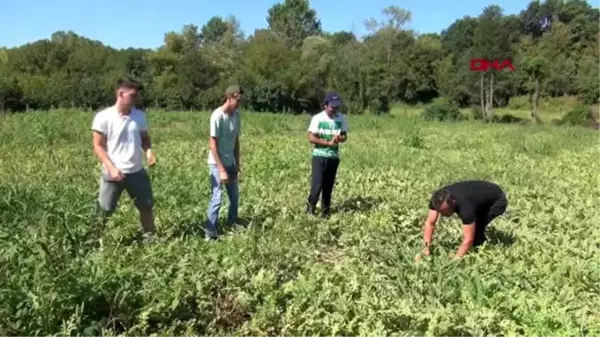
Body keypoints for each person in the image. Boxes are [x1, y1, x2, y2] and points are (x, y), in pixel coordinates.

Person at [91, 78, 156, 241]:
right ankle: (92, 242)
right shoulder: (103, 117)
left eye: (137, 95)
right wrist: (111, 168)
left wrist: (149, 152)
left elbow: (145, 138)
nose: (137, 99)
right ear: (121, 94)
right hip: (113, 173)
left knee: (146, 206)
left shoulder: (139, 116)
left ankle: (150, 239)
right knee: (104, 209)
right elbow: (97, 146)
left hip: (137, 171)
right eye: (133, 95)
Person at [418, 180, 508, 260]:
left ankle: (484, 254)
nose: (443, 214)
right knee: (474, 227)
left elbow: (468, 239)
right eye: (440, 211)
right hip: (476, 195)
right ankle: (476, 249)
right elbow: (430, 223)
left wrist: (455, 260)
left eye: (445, 211)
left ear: (453, 201)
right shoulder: (436, 200)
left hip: (497, 200)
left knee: (476, 230)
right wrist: (425, 247)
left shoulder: (465, 208)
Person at [205, 85, 243, 240]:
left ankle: (232, 223)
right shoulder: (217, 116)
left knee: (234, 197)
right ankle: (210, 232)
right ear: (229, 98)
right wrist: (221, 170)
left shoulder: (237, 115)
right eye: (238, 100)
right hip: (216, 163)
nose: (239, 104)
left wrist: (237, 164)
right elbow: (212, 145)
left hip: (230, 162)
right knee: (217, 198)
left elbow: (236, 142)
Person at [306, 91, 348, 218]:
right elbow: (311, 137)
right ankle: (309, 212)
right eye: (332, 106)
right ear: (325, 105)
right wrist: (327, 143)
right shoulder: (318, 118)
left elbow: (344, 135)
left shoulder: (341, 118)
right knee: (316, 187)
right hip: (319, 156)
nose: (335, 109)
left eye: (337, 106)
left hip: (333, 157)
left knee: (328, 187)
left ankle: (325, 213)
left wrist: (340, 139)